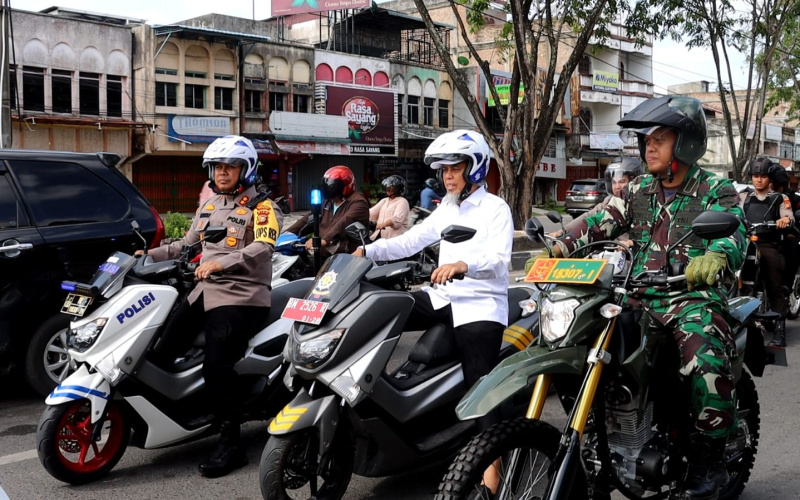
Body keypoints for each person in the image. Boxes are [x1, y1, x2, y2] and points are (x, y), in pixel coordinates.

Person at [533, 97, 745, 500]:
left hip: (690, 296)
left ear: (684, 143)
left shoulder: (714, 189)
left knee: (705, 358)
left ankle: (709, 459)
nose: (648, 147)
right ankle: (602, 432)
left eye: (659, 140)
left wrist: (717, 255)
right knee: (578, 334)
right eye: (645, 139)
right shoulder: (639, 189)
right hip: (638, 295)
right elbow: (598, 220)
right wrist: (559, 245)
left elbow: (734, 234)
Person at [353, 129, 512, 497]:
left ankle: (492, 479)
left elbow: (499, 260)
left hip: (479, 304)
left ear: (475, 168)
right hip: (442, 297)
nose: (448, 176)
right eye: (443, 170)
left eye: (455, 168)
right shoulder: (447, 207)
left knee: (481, 387)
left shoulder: (495, 209)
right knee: (382, 309)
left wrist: (462, 264)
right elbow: (412, 240)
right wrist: (367, 252)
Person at [144, 135, 282, 478]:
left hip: (242, 297)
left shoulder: (263, 207)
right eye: (217, 167)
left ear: (245, 170)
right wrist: (145, 256)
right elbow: (184, 245)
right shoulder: (209, 206)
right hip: (202, 292)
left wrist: (223, 263)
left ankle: (230, 443)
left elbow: (264, 246)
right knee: (162, 349)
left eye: (230, 167)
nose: (222, 173)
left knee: (217, 365)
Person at [740, 158, 794, 347]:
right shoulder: (743, 197)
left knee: (774, 285)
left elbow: (788, 216)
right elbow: (732, 214)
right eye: (756, 176)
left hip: (768, 245)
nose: (759, 180)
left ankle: (780, 331)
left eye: (763, 176)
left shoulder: (779, 198)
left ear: (769, 178)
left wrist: (784, 221)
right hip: (746, 244)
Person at [546, 156, 642, 240]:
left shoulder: (643, 206)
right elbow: (586, 218)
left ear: (633, 183)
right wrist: (562, 231)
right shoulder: (607, 204)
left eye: (622, 181)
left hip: (634, 257)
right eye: (614, 182)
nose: (617, 186)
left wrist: (632, 243)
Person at [286, 165, 370, 258]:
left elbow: (344, 222)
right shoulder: (328, 202)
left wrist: (324, 240)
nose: (329, 188)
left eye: (333, 185)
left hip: (347, 256)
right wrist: (287, 234)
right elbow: (312, 217)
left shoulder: (358, 203)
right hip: (324, 253)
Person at [369, 175, 410, 240]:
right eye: (387, 187)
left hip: (395, 239)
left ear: (398, 189)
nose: (388, 189)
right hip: (379, 236)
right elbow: (372, 212)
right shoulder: (385, 200)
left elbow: (397, 219)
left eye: (391, 187)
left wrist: (384, 224)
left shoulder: (402, 201)